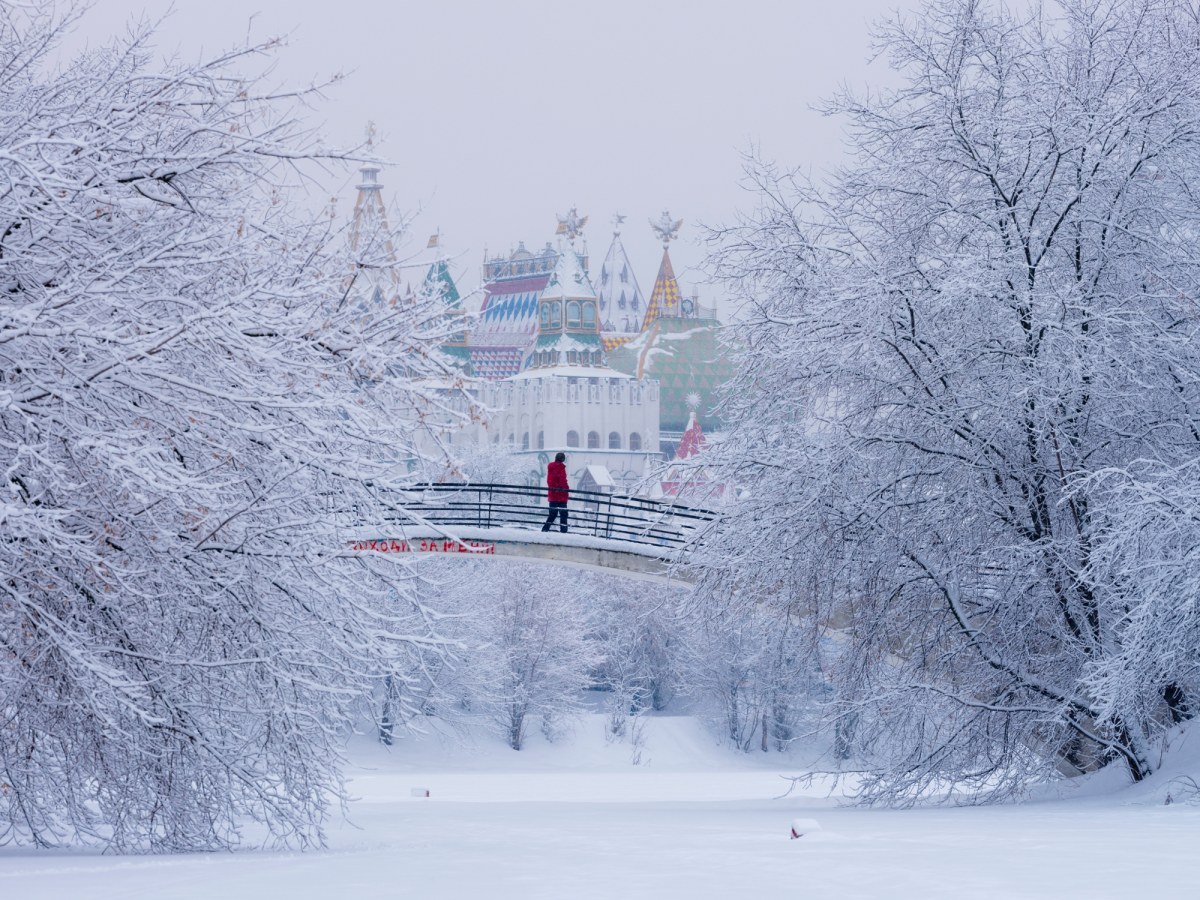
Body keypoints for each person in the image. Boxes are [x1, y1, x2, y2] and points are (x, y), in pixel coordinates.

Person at [541, 451, 569, 533]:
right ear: (562, 459)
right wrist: (565, 488)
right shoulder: (560, 468)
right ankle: (563, 532)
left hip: (554, 495)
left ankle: (545, 530)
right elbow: (562, 481)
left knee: (553, 514)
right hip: (560, 495)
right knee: (563, 514)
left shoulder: (553, 467)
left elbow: (552, 481)